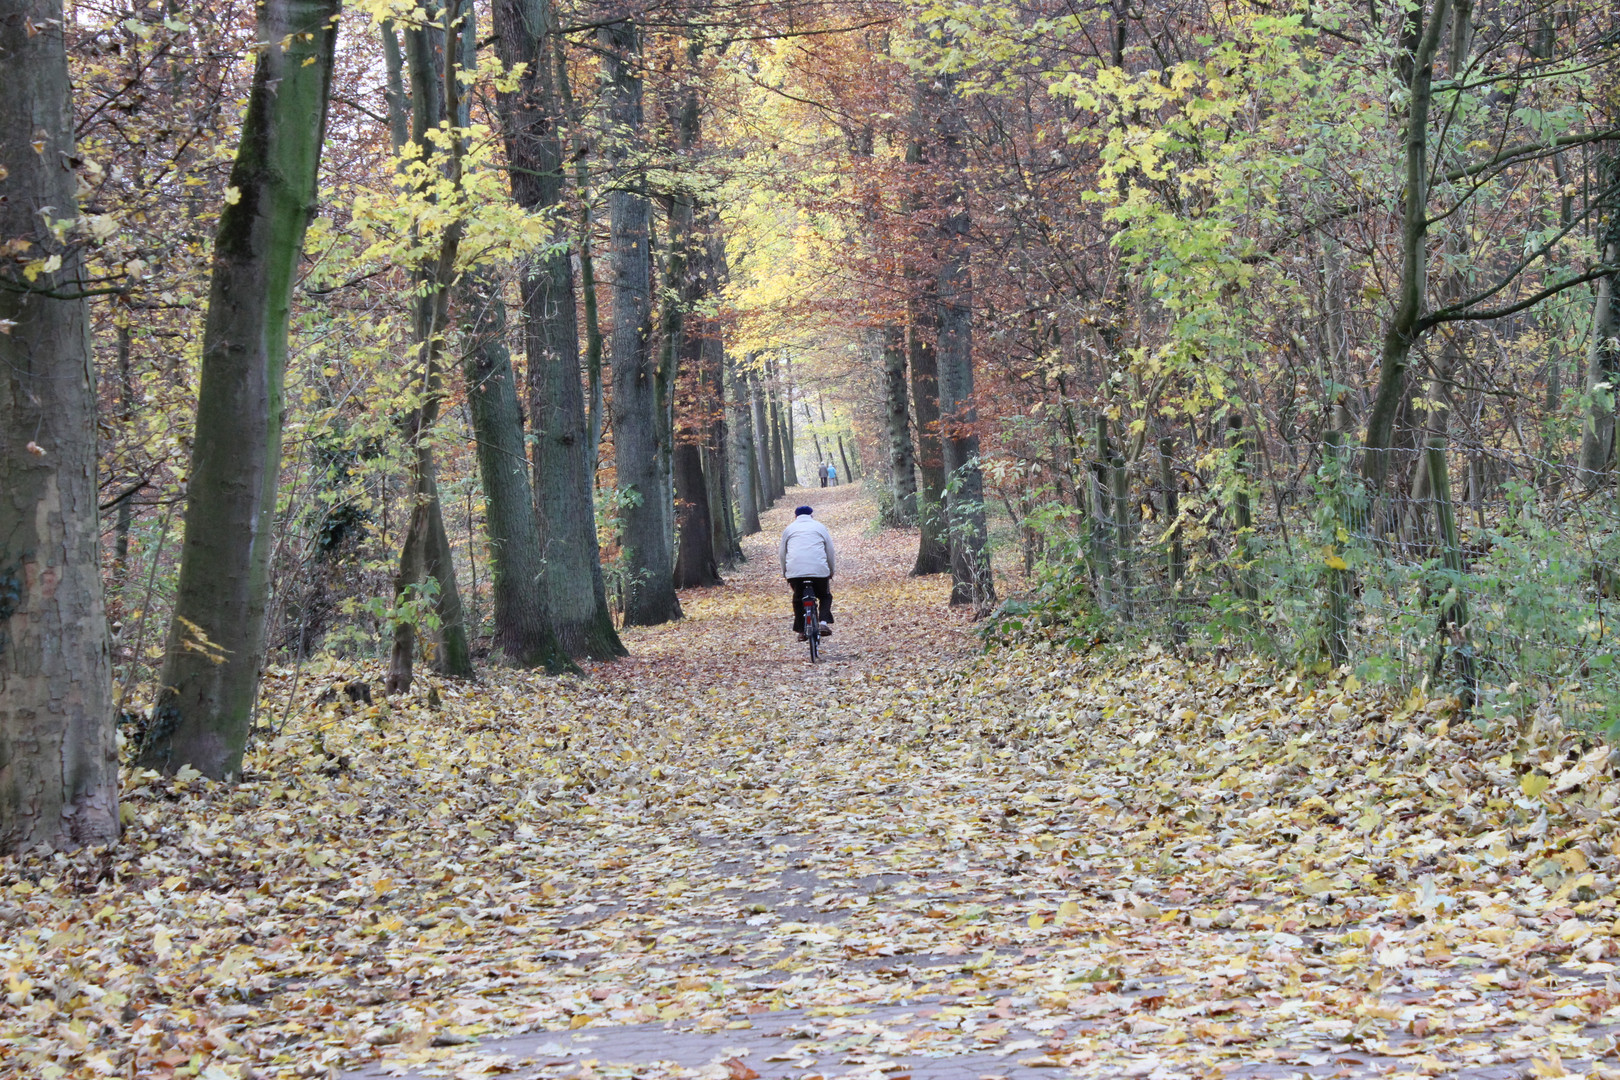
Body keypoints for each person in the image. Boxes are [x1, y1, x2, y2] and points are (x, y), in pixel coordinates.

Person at [780, 505, 835, 640]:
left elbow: (782, 553)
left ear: (795, 517)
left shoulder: (789, 529)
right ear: (812, 515)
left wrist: (785, 572)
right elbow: (830, 551)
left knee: (798, 599)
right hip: (819, 571)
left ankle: (801, 630)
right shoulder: (820, 527)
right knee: (824, 595)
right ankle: (823, 623)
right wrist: (831, 570)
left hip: (795, 572)